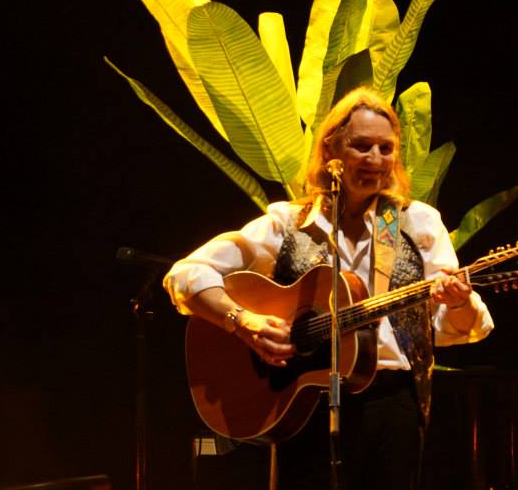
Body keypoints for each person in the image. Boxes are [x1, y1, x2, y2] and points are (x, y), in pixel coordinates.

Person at [163, 87, 494, 489]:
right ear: (331, 151)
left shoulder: (415, 223)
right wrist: (244, 321)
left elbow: (452, 328)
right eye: (362, 146)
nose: (376, 159)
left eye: (386, 148)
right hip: (303, 402)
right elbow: (187, 274)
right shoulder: (288, 223)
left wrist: (457, 302)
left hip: (392, 403)